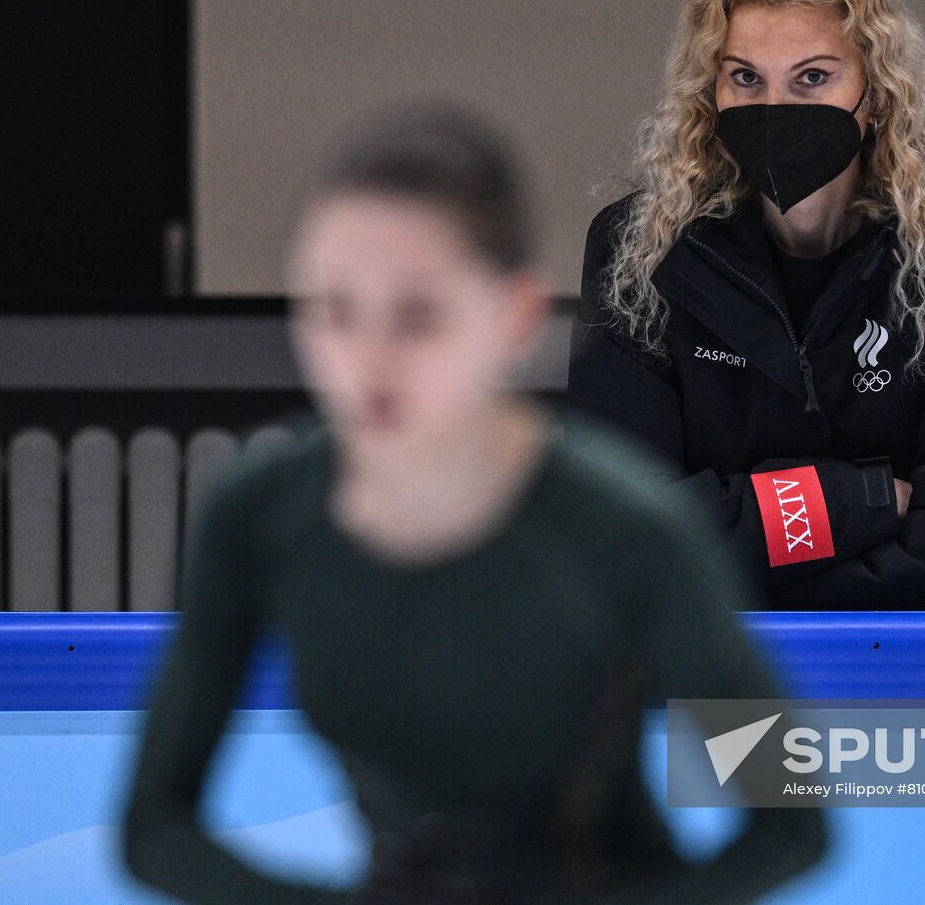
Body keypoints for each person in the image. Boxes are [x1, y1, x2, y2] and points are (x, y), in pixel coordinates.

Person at [118, 104, 826, 903]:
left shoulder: (635, 532)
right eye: (333, 309)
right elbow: (154, 824)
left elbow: (793, 824)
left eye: (418, 316)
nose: (367, 362)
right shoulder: (257, 513)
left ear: (516, 317)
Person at [566, 0, 925, 611]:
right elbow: (615, 535)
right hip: (724, 682)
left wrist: (733, 543)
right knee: (738, 725)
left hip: (914, 691)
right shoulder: (640, 253)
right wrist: (864, 499)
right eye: (745, 78)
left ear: (876, 90)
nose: (774, 110)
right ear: (710, 92)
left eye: (812, 78)